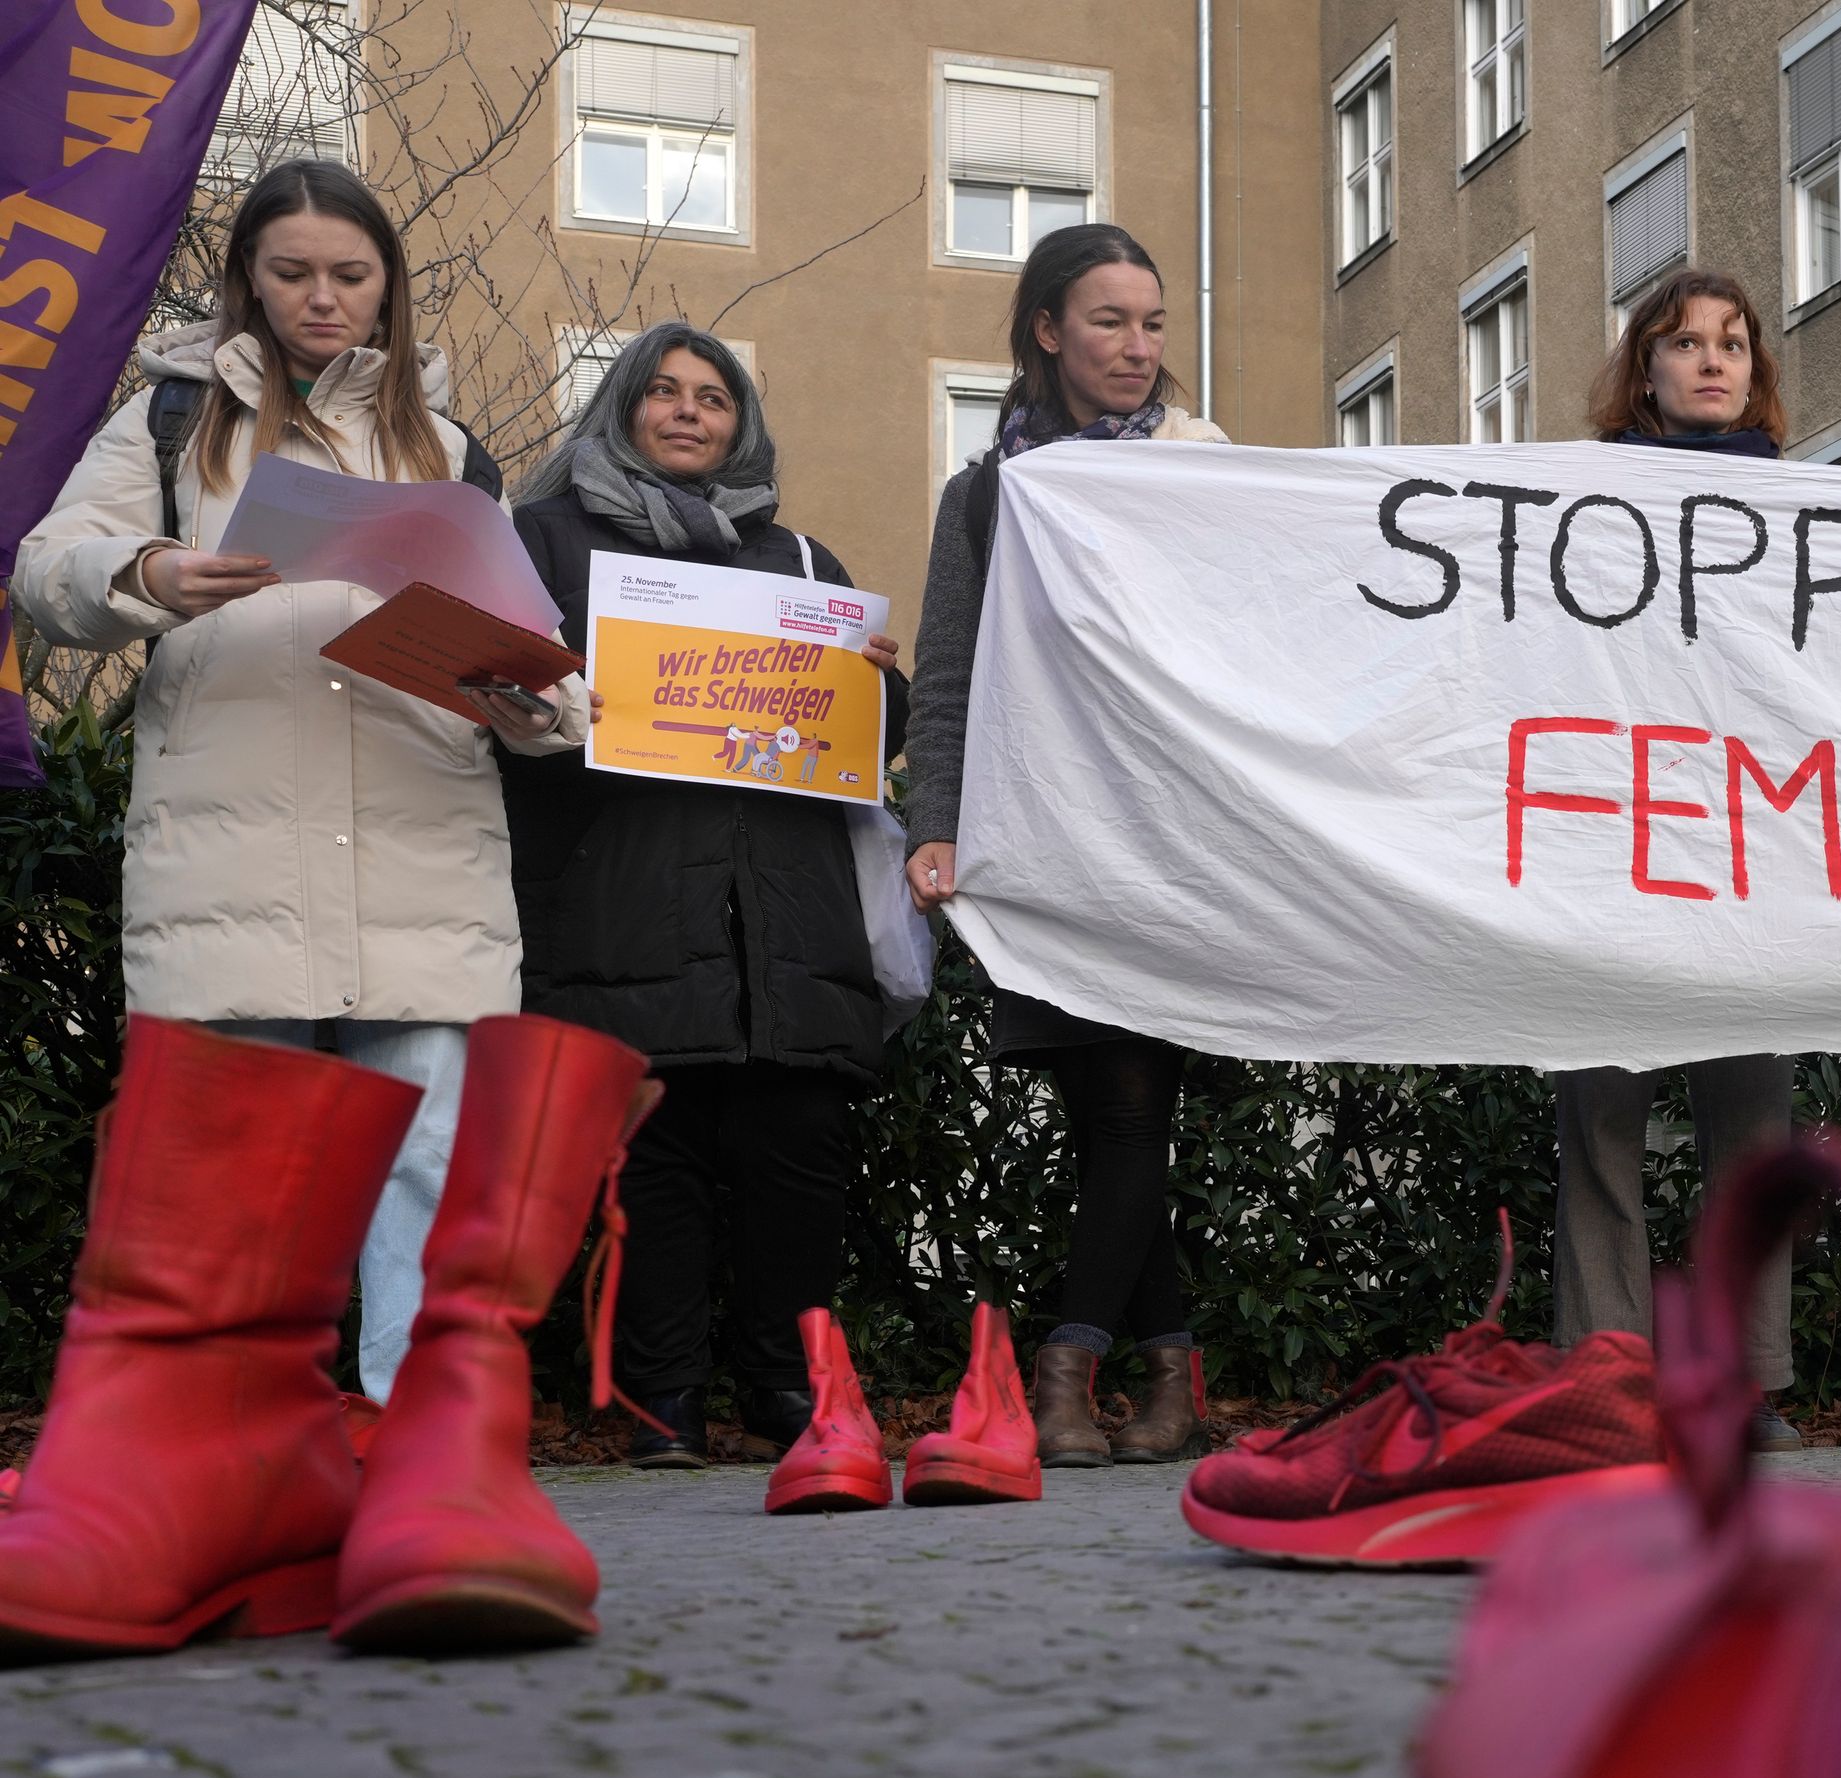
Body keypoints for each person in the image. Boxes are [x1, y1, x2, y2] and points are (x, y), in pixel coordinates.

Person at [11, 159, 577, 1405]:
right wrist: (148, 573)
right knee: (240, 1170)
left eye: (350, 274)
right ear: (247, 281)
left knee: (427, 1159)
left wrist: (533, 699)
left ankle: (414, 1439)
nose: (321, 297)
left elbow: (546, 666)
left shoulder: (455, 451)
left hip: (421, 842)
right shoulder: (169, 417)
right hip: (235, 852)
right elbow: (44, 570)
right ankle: (229, 1440)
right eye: (292, 272)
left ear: (389, 288)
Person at [497, 322, 905, 1466]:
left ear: (743, 424)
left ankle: (789, 1395)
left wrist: (881, 690)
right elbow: (498, 718)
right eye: (663, 392)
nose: (688, 411)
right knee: (654, 1175)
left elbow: (874, 751)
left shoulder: (806, 565)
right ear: (623, 406)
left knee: (796, 1170)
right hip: (623, 916)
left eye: (713, 397)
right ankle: (657, 1399)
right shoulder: (542, 543)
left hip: (788, 925)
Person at [901, 226, 1228, 1467]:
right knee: (1105, 1111)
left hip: (1170, 837)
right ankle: (1169, 1388)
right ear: (1047, 330)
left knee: (1135, 1099)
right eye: (1109, 322)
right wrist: (936, 820)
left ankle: (1065, 1371)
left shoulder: (1210, 475)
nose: (1138, 347)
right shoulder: (987, 493)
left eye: (1152, 323)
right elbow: (949, 671)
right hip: (1042, 833)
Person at [1558, 272, 1805, 1451]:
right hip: (1611, 839)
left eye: (1733, 343)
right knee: (1600, 1115)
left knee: (1751, 1119)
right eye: (1684, 343)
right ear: (1643, 367)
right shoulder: (1578, 503)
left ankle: (1743, 1386)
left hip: (1753, 847)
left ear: (1758, 369)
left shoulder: (1812, 515)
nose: (1712, 361)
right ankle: (1608, 1376)